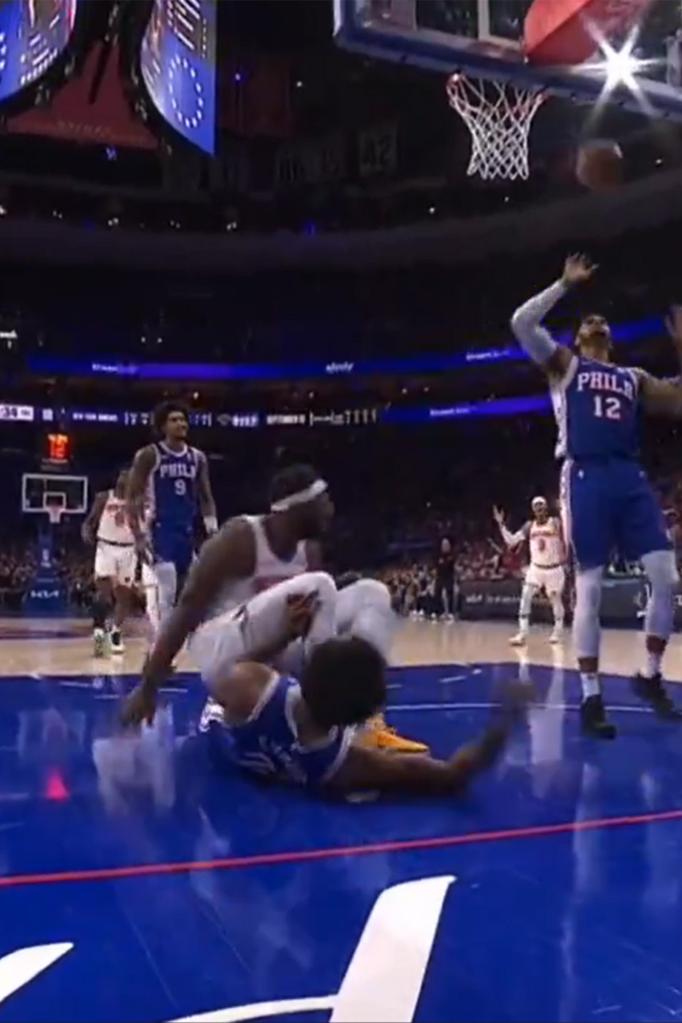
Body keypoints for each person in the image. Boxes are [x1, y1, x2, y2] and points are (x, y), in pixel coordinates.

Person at [122, 464, 427, 752]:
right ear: (298, 505)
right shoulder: (239, 538)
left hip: (271, 652)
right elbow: (187, 609)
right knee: (321, 585)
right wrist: (149, 685)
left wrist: (293, 635)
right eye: (323, 500)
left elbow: (308, 623)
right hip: (219, 651)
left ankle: (365, 719)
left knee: (372, 593)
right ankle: (322, 718)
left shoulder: (309, 551)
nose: (331, 509)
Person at [510, 253, 682, 738]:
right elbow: (521, 322)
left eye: (603, 320)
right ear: (577, 338)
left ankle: (649, 674)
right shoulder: (564, 366)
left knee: (665, 575)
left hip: (628, 476)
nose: (598, 321)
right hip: (584, 475)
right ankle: (590, 697)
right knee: (589, 585)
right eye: (589, 320)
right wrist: (563, 285)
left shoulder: (632, 377)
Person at [196, 631, 526, 796]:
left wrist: (283, 635)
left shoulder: (252, 686)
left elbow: (215, 671)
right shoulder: (339, 768)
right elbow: (450, 775)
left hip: (222, 740)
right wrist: (503, 726)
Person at [126, 401, 217, 636]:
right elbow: (133, 498)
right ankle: (161, 648)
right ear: (163, 426)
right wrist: (137, 536)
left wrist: (212, 531)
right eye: (174, 420)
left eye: (183, 420)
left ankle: (188, 641)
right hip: (159, 530)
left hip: (186, 531)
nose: (181, 424)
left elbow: (206, 497)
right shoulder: (149, 455)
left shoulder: (197, 458)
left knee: (194, 591)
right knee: (166, 591)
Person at [493, 496, 566, 646]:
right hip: (536, 568)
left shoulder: (555, 523)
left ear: (546, 508)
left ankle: (557, 631)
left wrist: (564, 509)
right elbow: (511, 541)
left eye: (541, 506)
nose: (539, 509)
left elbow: (567, 527)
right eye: (536, 506)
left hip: (554, 568)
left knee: (555, 599)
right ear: (533, 510)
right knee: (526, 596)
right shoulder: (529, 526)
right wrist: (501, 524)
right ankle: (522, 633)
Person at [81, 469, 136, 656]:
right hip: (106, 547)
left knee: (124, 596)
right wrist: (86, 531)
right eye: (122, 475)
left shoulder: (137, 501)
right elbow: (89, 521)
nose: (124, 479)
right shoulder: (104, 497)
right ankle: (98, 637)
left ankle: (115, 633)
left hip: (129, 549)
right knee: (102, 594)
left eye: (128, 477)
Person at [435, 538, 456, 620]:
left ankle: (450, 612)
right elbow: (437, 566)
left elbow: (450, 566)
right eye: (443, 545)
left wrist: (443, 563)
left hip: (449, 577)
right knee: (437, 593)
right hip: (440, 577)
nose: (445, 546)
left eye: (446, 545)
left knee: (450, 593)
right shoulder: (438, 555)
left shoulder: (452, 555)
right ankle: (439, 612)